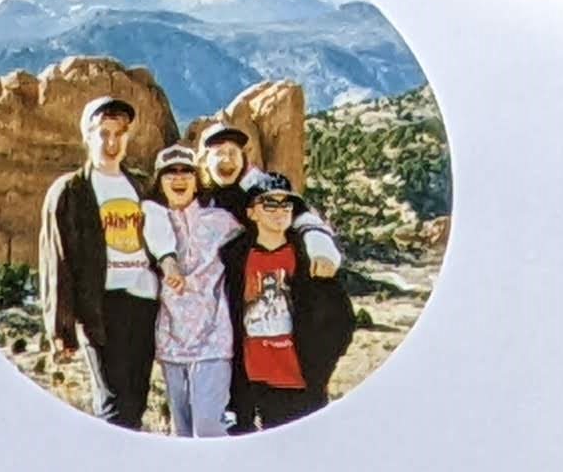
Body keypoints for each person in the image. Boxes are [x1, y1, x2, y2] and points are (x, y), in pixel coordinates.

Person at [37, 94, 170, 428]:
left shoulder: (139, 184)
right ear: (88, 136)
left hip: (143, 303)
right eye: (104, 133)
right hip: (100, 308)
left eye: (119, 133)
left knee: (136, 398)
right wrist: (60, 326)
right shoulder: (70, 191)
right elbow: (57, 260)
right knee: (112, 404)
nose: (112, 142)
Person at [224, 171, 355, 430]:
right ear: (251, 212)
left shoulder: (310, 257)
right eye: (269, 203)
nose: (279, 210)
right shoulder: (233, 256)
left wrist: (320, 367)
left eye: (286, 203)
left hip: (299, 381)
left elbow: (341, 318)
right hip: (249, 381)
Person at [146, 145, 239, 438]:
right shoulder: (149, 220)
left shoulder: (221, 220)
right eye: (169, 172)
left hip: (213, 340)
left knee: (210, 431)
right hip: (171, 343)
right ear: (159, 181)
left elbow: (269, 225)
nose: (179, 178)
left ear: (197, 179)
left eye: (186, 171)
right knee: (183, 435)